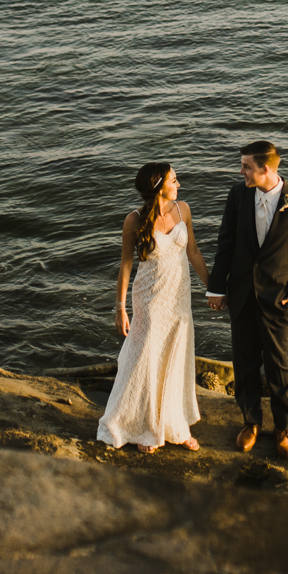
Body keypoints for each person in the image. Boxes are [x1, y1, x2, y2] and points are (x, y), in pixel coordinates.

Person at [207, 139, 288, 459]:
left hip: (278, 298)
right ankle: (250, 422)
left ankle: (283, 427)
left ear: (265, 169)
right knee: (244, 362)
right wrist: (217, 288)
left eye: (246, 166)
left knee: (278, 364)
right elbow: (225, 243)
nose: (241, 171)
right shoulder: (237, 195)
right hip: (240, 294)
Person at [96, 161, 211, 452]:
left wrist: (213, 287)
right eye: (174, 180)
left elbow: (193, 251)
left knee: (177, 354)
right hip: (149, 298)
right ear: (158, 185)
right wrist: (120, 307)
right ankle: (145, 425)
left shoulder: (182, 209)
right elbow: (125, 265)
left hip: (179, 296)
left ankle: (176, 424)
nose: (179, 185)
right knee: (146, 356)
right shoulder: (134, 220)